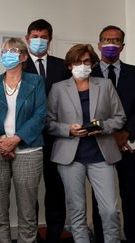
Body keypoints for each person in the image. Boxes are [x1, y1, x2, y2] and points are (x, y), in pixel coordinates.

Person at [47, 43, 125, 243]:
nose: (82, 65)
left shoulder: (105, 85)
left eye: (86, 61)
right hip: (70, 156)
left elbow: (119, 117)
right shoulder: (58, 88)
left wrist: (103, 127)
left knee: (109, 210)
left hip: (101, 154)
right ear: (69, 65)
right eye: (77, 62)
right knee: (77, 211)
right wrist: (68, 130)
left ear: (92, 63)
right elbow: (48, 122)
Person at [0, 37, 46, 243]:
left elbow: (40, 115)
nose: (7, 54)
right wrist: (0, 140)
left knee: (27, 212)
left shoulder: (35, 82)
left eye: (13, 51)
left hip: (28, 151)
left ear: (23, 56)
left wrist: (16, 139)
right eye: (4, 51)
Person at [23, 18, 72, 243]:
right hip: (28, 138)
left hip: (57, 139)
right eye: (35, 36)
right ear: (27, 39)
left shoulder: (63, 66)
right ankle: (31, 235)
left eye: (43, 37)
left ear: (50, 40)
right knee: (28, 191)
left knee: (55, 189)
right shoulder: (19, 66)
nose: (39, 41)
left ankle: (54, 234)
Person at [91, 25, 135, 243]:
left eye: (116, 40)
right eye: (106, 40)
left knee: (131, 196)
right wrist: (107, 134)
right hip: (98, 145)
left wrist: (126, 133)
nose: (111, 44)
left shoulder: (134, 73)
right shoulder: (88, 73)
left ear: (123, 46)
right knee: (102, 200)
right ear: (99, 44)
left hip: (128, 145)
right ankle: (101, 238)